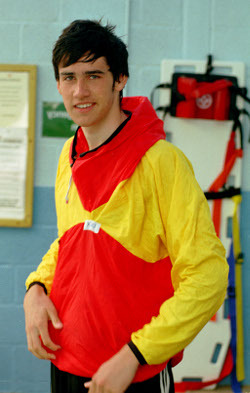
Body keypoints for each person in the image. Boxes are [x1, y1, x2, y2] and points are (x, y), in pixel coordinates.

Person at [24, 19, 229, 393]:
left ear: (121, 79)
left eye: (93, 75)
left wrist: (136, 354)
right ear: (57, 83)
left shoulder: (162, 162)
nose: (79, 91)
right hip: (67, 362)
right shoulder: (66, 157)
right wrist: (36, 289)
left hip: (132, 372)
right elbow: (69, 244)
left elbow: (208, 275)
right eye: (68, 77)